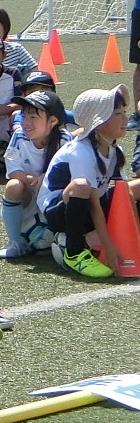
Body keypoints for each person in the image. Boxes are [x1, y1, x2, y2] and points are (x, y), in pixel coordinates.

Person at [40, 86, 131, 280]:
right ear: (98, 122)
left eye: (124, 112)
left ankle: (90, 239)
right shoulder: (80, 150)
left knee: (132, 189)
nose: (125, 118)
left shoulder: (115, 151)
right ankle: (74, 252)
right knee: (81, 185)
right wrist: (108, 246)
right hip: (59, 212)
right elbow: (93, 202)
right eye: (117, 114)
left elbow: (125, 194)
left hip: (89, 206)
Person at [0, 88, 66, 260]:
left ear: (53, 120)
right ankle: (14, 242)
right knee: (14, 186)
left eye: (33, 117)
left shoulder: (65, 140)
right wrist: (32, 180)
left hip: (54, 198)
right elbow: (13, 171)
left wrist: (47, 179)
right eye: (24, 116)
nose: (26, 122)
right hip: (29, 194)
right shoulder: (19, 136)